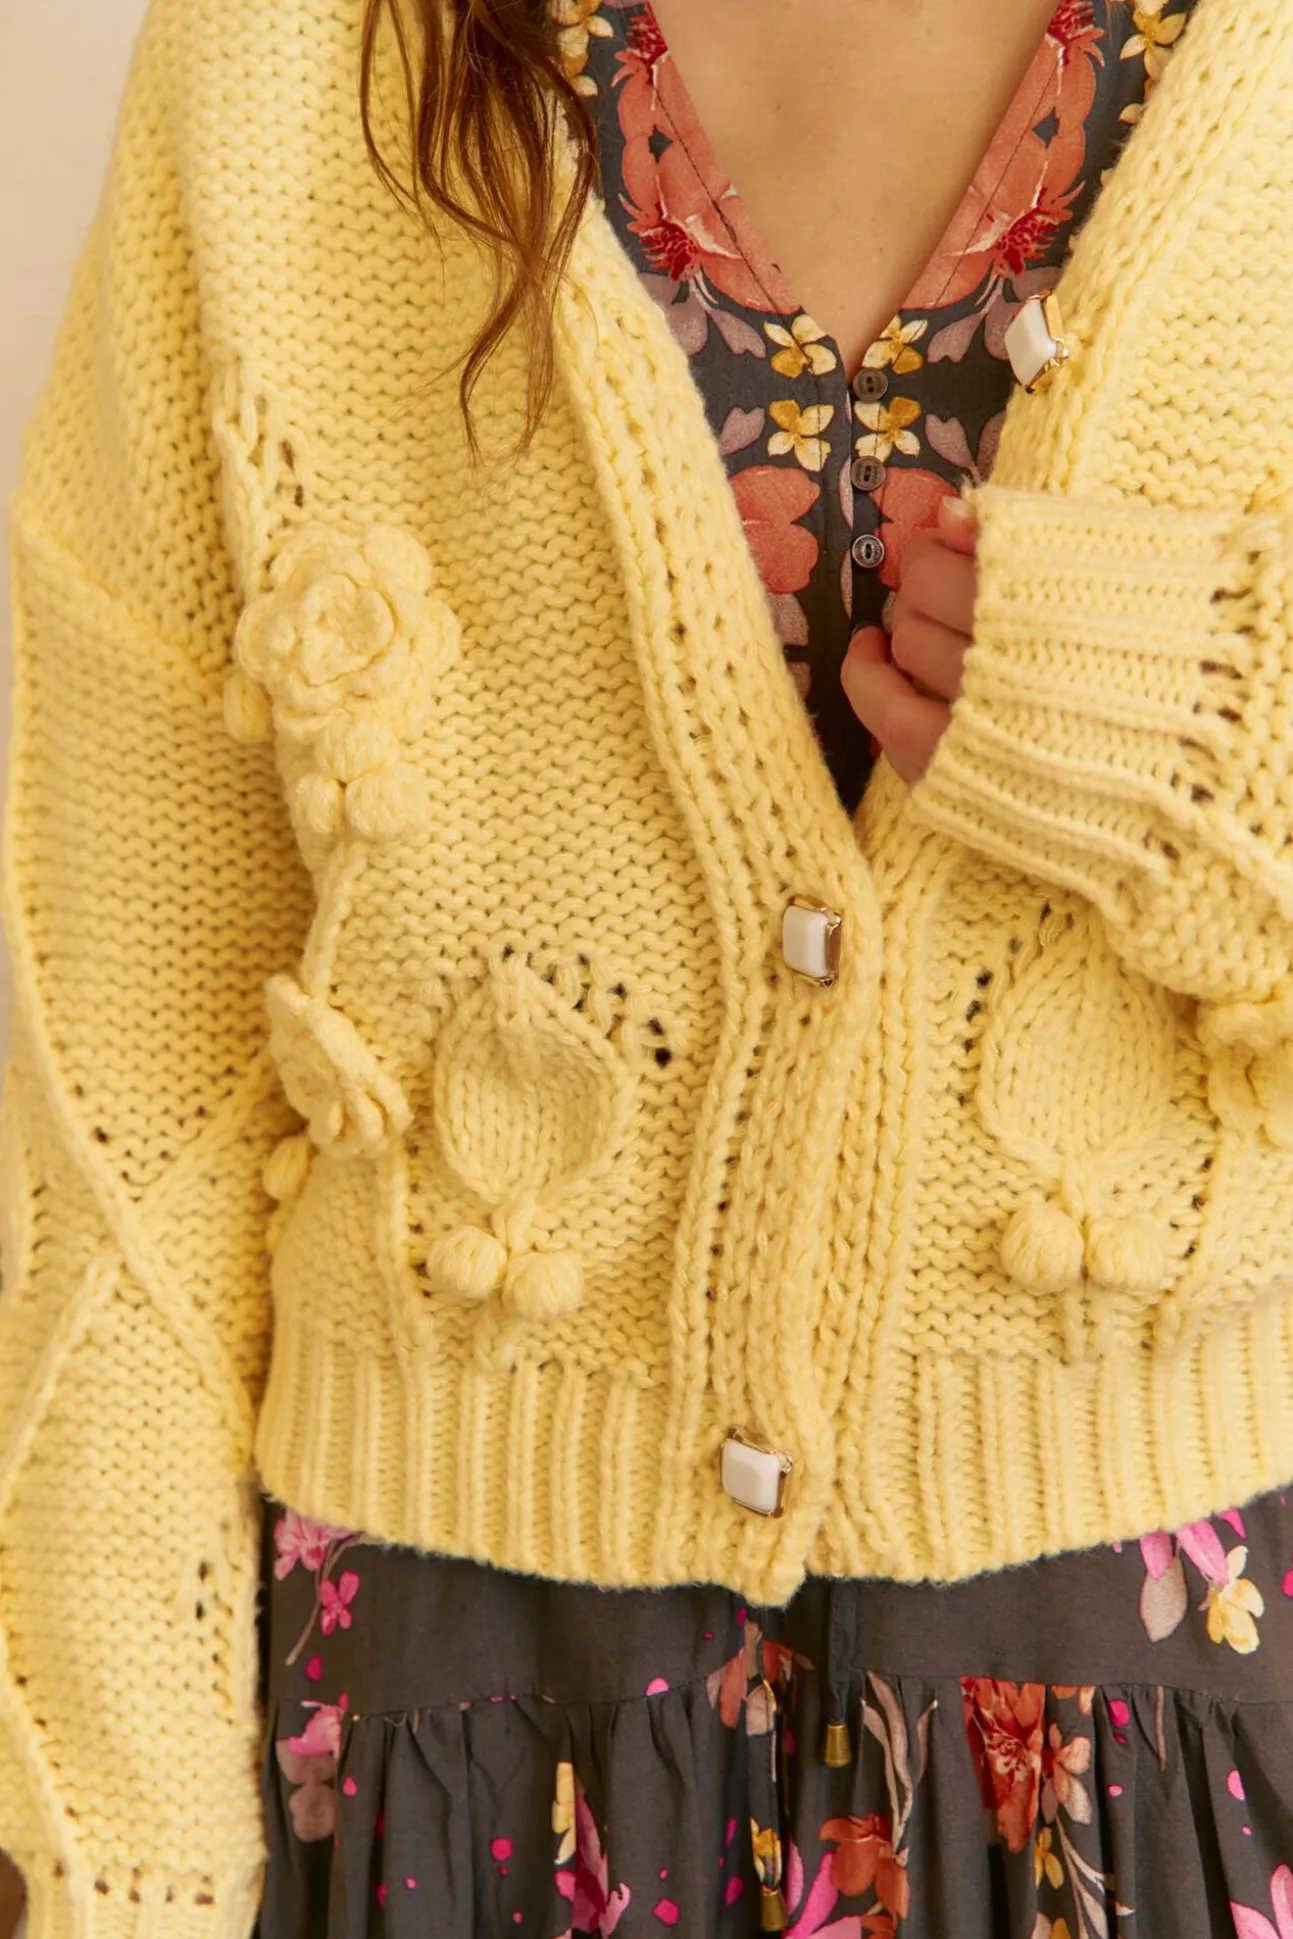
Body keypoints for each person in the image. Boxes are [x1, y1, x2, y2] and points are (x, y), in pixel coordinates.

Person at [3, 0, 1293, 1932]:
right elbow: (135, 1075)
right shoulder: (289, 57)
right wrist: (120, 1860)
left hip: (1150, 1741)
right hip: (454, 1745)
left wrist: (1206, 732)